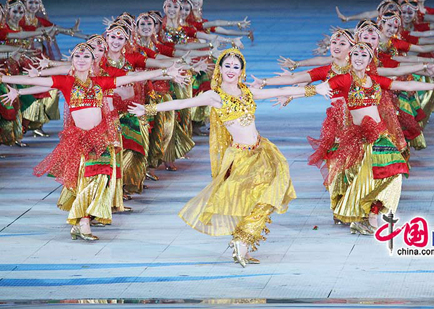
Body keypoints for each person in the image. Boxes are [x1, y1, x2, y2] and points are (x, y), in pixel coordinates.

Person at [128, 48, 332, 266]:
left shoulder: (247, 92)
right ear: (220, 69)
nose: (232, 70)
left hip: (262, 151)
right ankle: (242, 241)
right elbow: (180, 104)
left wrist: (315, 90)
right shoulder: (214, 96)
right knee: (257, 198)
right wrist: (149, 109)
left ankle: (241, 244)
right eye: (228, 66)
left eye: (236, 66)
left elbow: (279, 91)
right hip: (242, 156)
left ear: (242, 70)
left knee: (268, 195)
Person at [1, 43, 184, 241]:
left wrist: (165, 71)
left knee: (101, 178)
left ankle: (83, 220)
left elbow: (133, 76)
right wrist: (6, 80)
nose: (81, 59)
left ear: (92, 61)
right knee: (86, 179)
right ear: (72, 61)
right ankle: (83, 222)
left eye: (86, 56)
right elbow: (40, 82)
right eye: (77, 56)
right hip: (78, 138)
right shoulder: (66, 81)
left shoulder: (101, 82)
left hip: (101, 137)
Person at [308, 42, 434, 235]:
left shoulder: (375, 80)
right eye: (355, 55)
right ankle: (365, 217)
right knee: (367, 179)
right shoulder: (344, 79)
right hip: (360, 138)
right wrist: (293, 94)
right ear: (350, 58)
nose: (359, 58)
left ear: (370, 60)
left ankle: (371, 214)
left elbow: (405, 84)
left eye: (364, 55)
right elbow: (319, 87)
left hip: (380, 135)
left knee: (394, 173)